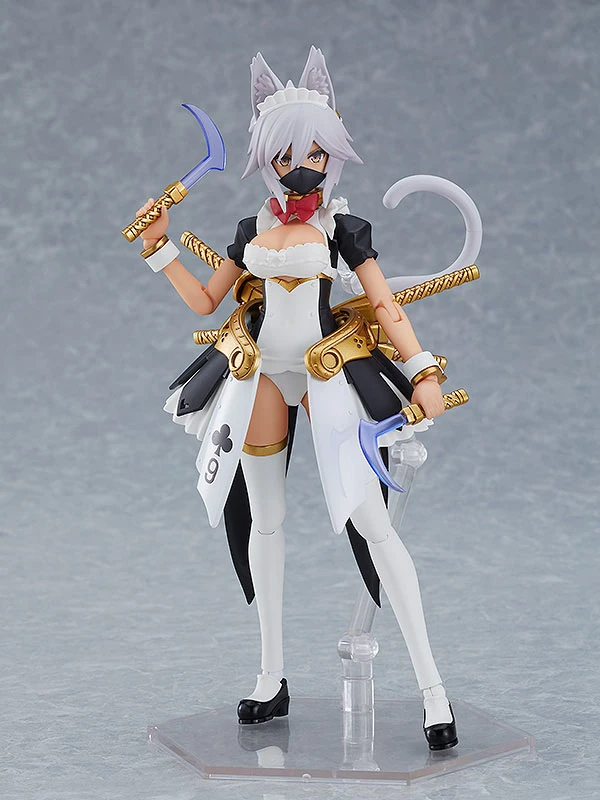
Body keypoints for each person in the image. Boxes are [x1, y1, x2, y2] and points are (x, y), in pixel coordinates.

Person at [136, 47, 458, 750]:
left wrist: (422, 369)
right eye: (286, 154)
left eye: (314, 151)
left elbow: (385, 304)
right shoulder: (251, 228)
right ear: (266, 157)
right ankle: (269, 674)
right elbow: (204, 300)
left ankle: (433, 690)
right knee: (265, 521)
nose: (301, 165)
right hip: (259, 373)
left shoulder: (342, 228)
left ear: (332, 151)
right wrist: (160, 251)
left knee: (371, 522)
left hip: (326, 371)